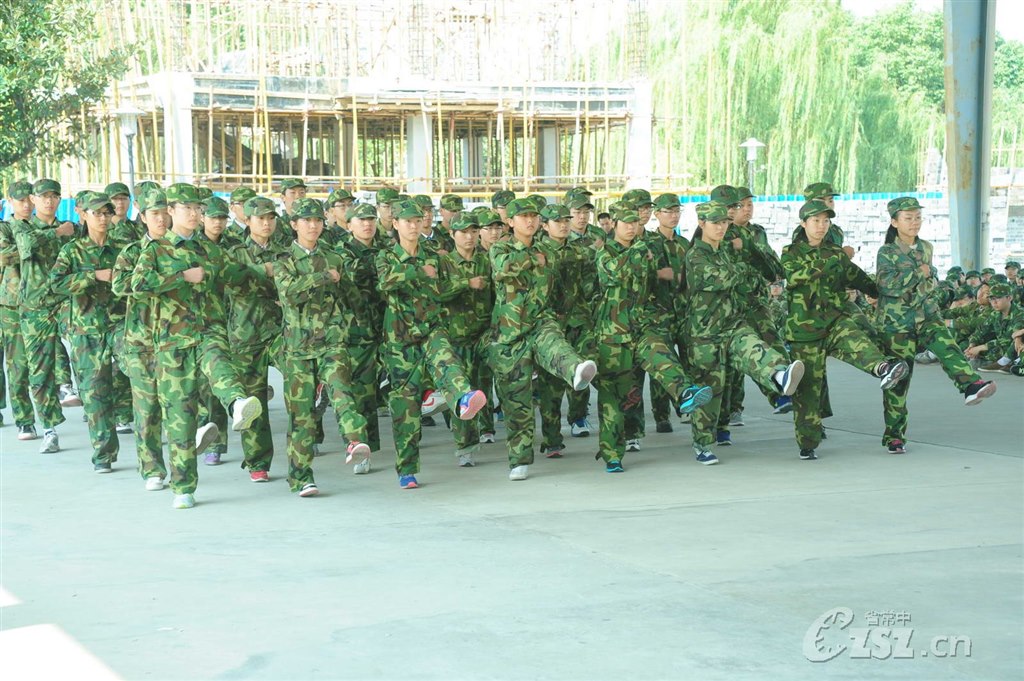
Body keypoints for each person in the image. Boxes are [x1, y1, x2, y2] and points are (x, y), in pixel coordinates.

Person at [131, 183, 252, 508]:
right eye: (187, 208)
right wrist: (182, 277)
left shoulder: (209, 249)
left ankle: (237, 403)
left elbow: (235, 274)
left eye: (198, 208)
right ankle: (183, 488)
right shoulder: (156, 250)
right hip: (172, 342)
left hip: (208, 329)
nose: (195, 214)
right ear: (171, 211)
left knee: (218, 361)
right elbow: (138, 285)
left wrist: (267, 275)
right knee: (179, 415)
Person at [782, 199, 909, 460]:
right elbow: (794, 278)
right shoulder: (791, 252)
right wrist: (830, 262)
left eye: (826, 221)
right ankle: (808, 443)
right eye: (816, 221)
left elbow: (855, 275)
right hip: (804, 331)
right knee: (808, 392)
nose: (821, 226)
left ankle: (882, 368)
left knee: (856, 340)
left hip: (834, 320)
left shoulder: (835, 252)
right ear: (803, 223)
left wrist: (878, 291)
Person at [376, 199, 487, 488]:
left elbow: (443, 289)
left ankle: (463, 396)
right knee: (406, 407)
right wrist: (417, 271)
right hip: (400, 340)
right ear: (396, 224)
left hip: (432, 328)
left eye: (418, 221)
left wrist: (462, 283)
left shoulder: (434, 255)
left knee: (448, 360)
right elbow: (385, 282)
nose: (414, 226)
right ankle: (407, 469)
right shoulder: (386, 255)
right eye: (408, 221)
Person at [685, 201, 805, 465]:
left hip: (733, 323)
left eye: (724, 222)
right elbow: (720, 279)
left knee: (755, 347)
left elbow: (756, 276)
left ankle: (779, 374)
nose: (721, 228)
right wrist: (740, 271)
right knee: (710, 390)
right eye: (715, 223)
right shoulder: (695, 255)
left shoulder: (727, 252)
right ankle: (702, 444)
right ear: (702, 224)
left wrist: (740, 269)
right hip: (705, 332)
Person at [594, 203, 712, 472]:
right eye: (626, 223)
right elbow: (614, 273)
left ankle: (685, 392)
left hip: (643, 325)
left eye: (635, 223)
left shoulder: (645, 250)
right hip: (613, 334)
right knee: (614, 398)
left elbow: (654, 282)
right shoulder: (606, 252)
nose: (631, 227)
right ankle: (612, 455)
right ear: (614, 225)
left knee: (662, 355)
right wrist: (639, 252)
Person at [487, 198, 598, 481]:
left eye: (534, 216)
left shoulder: (547, 251)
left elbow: (562, 284)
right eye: (523, 217)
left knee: (555, 344)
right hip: (509, 332)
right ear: (510, 222)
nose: (530, 221)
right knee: (517, 402)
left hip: (541, 320)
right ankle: (519, 459)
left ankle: (575, 370)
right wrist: (530, 258)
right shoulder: (501, 247)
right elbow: (502, 268)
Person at [874, 197, 996, 454]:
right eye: (908, 218)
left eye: (918, 217)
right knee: (899, 380)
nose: (914, 222)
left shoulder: (926, 247)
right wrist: (920, 274)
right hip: (896, 324)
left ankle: (970, 385)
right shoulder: (887, 252)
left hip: (926, 315)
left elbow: (931, 281)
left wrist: (925, 282)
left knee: (947, 345)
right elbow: (887, 286)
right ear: (894, 222)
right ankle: (894, 436)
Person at [274, 198, 372, 496]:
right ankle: (301, 477)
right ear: (294, 224)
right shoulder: (284, 260)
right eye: (306, 220)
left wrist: (359, 324)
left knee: (342, 391)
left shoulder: (334, 258)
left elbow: (350, 295)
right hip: (298, 348)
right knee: (302, 416)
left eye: (317, 220)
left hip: (332, 342)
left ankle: (355, 440)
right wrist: (323, 277)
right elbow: (290, 293)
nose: (313, 225)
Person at [49, 193, 131, 473]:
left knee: (139, 373)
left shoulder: (122, 249)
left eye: (107, 213)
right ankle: (103, 454)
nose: (103, 218)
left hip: (120, 325)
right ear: (83, 215)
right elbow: (56, 284)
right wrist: (92, 276)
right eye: (97, 213)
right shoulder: (72, 251)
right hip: (86, 330)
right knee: (95, 394)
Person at [14, 179, 80, 453]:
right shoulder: (23, 226)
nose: (49, 201)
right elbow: (26, 247)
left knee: (86, 350)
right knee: (39, 371)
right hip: (35, 307)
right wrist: (57, 233)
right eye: (43, 197)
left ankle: (75, 391)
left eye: (54, 196)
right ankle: (49, 428)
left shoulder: (70, 228)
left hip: (66, 302)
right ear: (33, 199)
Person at [533, 204, 597, 457]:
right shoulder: (538, 252)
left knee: (583, 369)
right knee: (550, 385)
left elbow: (591, 281)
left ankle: (578, 417)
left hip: (579, 320)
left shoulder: (579, 250)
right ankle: (552, 439)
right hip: (551, 323)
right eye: (557, 221)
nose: (563, 225)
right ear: (544, 225)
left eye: (565, 220)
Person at [435, 212, 494, 467]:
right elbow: (436, 292)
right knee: (463, 392)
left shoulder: (487, 260)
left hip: (484, 335)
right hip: (455, 338)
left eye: (473, 231)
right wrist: (465, 283)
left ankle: (487, 429)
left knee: (484, 387)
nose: (469, 237)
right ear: (452, 234)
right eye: (463, 232)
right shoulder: (443, 262)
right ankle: (465, 446)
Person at [334, 202, 388, 473]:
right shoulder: (341, 251)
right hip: (358, 330)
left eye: (371, 220)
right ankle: (363, 447)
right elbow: (351, 274)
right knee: (362, 392)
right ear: (349, 225)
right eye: (361, 220)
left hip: (387, 326)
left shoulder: (386, 246)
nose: (367, 224)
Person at [646, 192, 690, 434]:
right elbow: (644, 274)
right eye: (668, 211)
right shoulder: (650, 243)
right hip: (659, 312)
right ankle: (661, 415)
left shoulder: (684, 244)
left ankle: (684, 404)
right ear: (657, 214)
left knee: (687, 360)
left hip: (683, 311)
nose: (673, 216)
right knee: (662, 365)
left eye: (677, 211)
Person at [965, 283, 1024, 374]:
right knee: (979, 348)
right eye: (992, 299)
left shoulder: (1019, 313)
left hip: (1013, 348)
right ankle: (1004, 363)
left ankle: (1006, 363)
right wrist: (972, 344)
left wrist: (982, 347)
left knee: (1016, 342)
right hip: (1003, 347)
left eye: (998, 298)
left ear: (1009, 298)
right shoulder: (995, 314)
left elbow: (1009, 339)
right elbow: (980, 331)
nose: (994, 302)